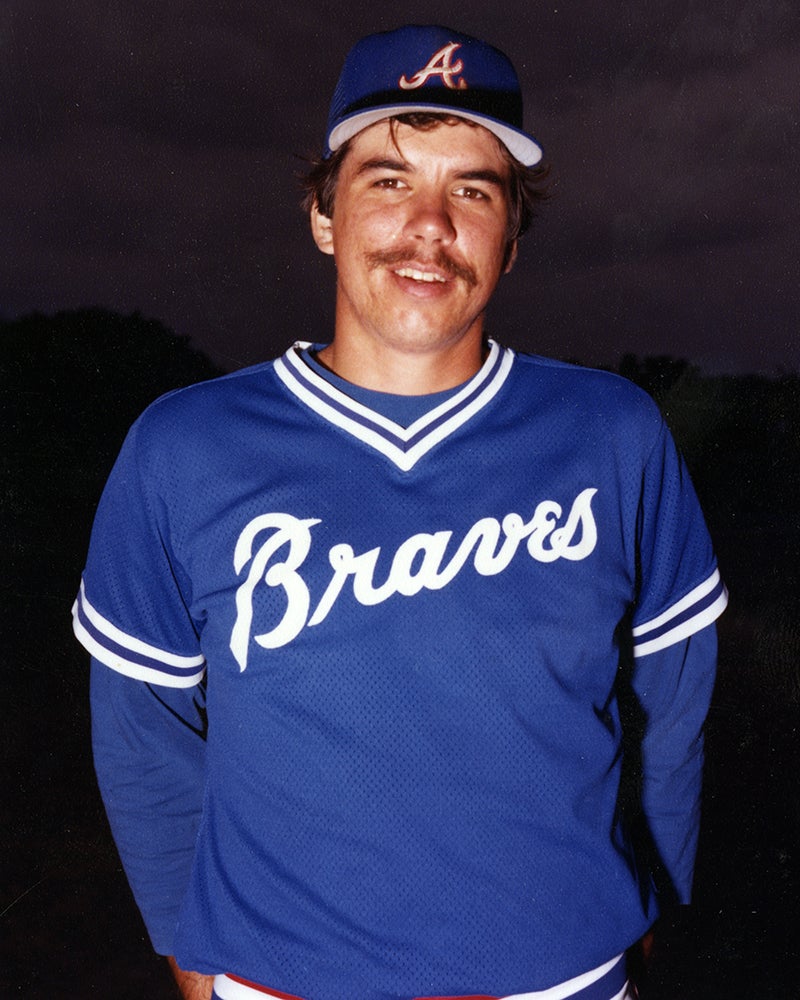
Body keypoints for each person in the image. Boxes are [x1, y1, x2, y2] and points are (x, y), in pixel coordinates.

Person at [73, 24, 727, 1000]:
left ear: (510, 238)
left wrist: (642, 909)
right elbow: (144, 726)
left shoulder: (611, 432)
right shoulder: (184, 446)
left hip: (560, 978)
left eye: (473, 189)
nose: (429, 224)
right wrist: (190, 956)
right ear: (322, 215)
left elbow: (671, 703)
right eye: (387, 179)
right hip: (283, 980)